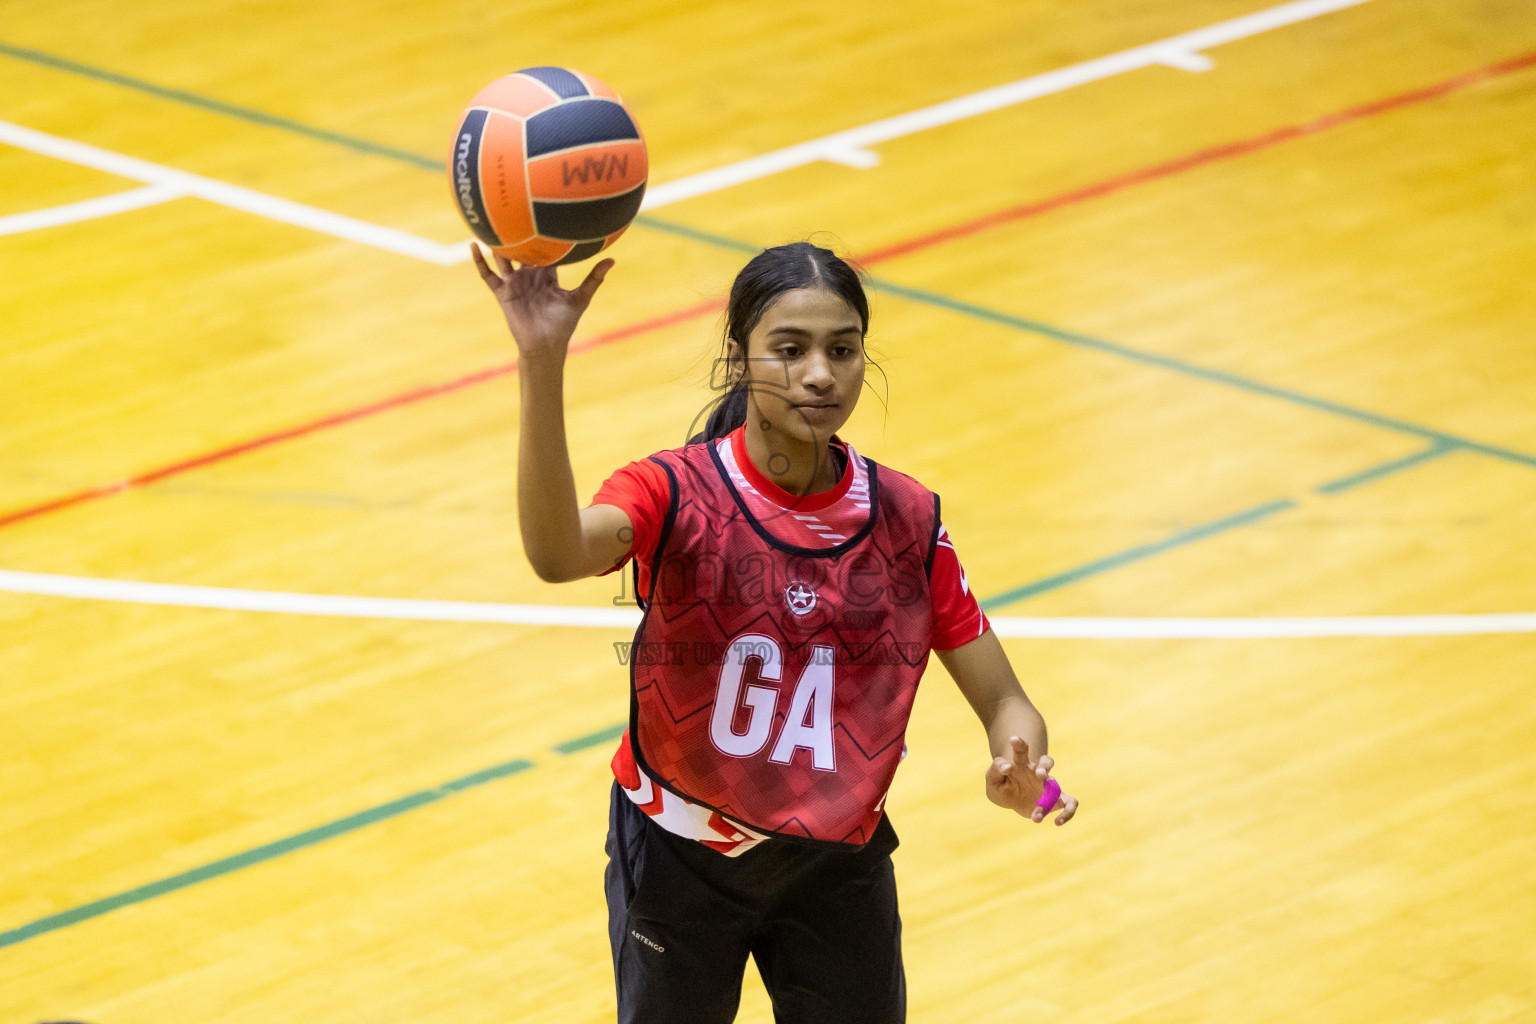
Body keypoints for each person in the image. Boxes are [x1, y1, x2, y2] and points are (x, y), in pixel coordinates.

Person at [472, 240, 1079, 1024]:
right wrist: (541, 360)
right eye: (788, 351)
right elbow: (556, 554)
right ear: (738, 361)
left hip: (835, 865)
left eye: (843, 349)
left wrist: (1019, 759)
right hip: (679, 854)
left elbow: (1007, 702)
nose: (820, 373)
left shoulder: (908, 521)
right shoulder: (672, 492)